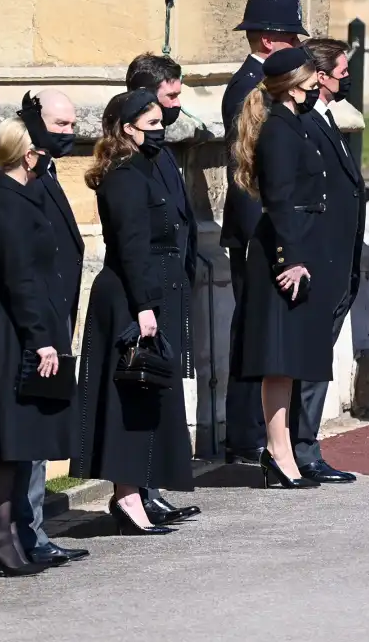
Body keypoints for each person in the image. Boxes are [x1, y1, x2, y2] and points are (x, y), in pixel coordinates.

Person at [0, 110, 74, 577]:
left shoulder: (23, 194)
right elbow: (19, 277)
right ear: (27, 155)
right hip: (10, 331)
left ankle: (9, 537)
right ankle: (0, 537)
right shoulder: (4, 201)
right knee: (8, 439)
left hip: (23, 325)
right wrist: (42, 341)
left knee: (21, 439)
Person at [70, 89, 194, 534]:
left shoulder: (145, 167)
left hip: (153, 294)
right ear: (128, 129)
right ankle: (126, 496)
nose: (160, 131)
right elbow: (131, 246)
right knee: (131, 396)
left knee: (150, 394)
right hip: (131, 298)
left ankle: (142, 491)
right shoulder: (123, 176)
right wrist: (144, 307)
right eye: (152, 124)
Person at [231, 47, 332, 489]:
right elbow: (279, 198)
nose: (316, 87)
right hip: (284, 256)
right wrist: (290, 258)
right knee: (278, 360)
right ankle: (278, 452)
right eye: (310, 81)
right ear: (292, 87)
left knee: (288, 360)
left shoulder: (295, 124)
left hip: (300, 248)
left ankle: (282, 450)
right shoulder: (277, 130)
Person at [220, 0, 308, 467]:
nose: (297, 45)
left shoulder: (265, 81)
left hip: (268, 228)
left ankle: (260, 432)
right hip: (258, 230)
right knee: (254, 334)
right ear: (270, 39)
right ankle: (246, 435)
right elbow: (252, 169)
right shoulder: (248, 87)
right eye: (290, 37)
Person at [11, 90, 89, 567]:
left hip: (55, 316)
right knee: (29, 433)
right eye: (61, 125)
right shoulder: (21, 183)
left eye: (72, 124)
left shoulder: (47, 172)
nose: (69, 133)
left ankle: (31, 530)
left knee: (39, 432)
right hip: (38, 325)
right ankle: (24, 533)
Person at [125, 53, 203, 526]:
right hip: (152, 287)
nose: (175, 106)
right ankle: (139, 492)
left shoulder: (163, 154)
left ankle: (151, 487)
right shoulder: (132, 164)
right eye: (169, 97)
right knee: (147, 384)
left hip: (172, 282)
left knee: (162, 387)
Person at [289, 38, 363, 484]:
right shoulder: (304, 125)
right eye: (341, 72)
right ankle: (302, 450)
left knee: (318, 360)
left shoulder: (326, 119)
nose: (346, 79)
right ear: (320, 77)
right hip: (320, 263)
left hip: (338, 263)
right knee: (311, 362)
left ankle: (304, 444)